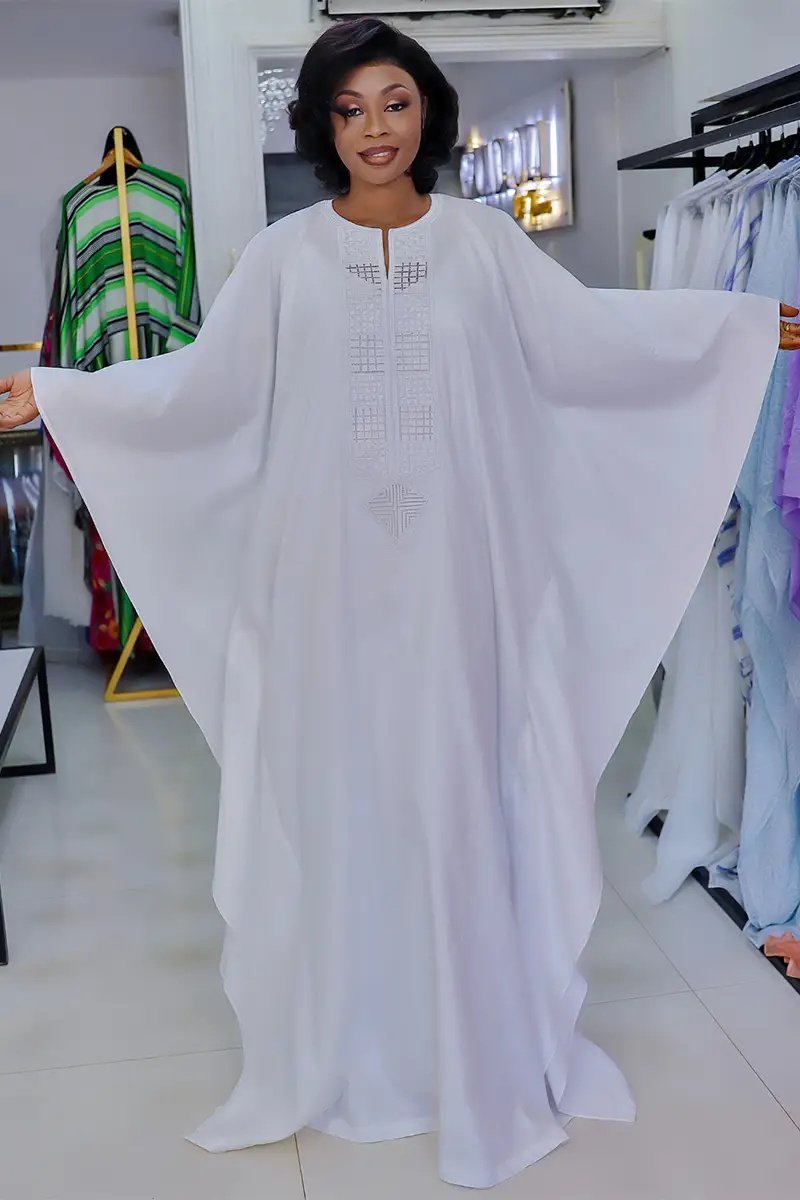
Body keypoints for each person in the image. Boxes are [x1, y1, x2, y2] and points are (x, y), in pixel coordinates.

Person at [2, 16, 799, 1190]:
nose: (373, 129)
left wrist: (730, 331)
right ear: (321, 126)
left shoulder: (482, 245)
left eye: (393, 102)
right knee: (336, 801)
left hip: (459, 592)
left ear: (427, 113)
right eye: (348, 109)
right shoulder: (281, 259)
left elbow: (588, 343)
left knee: (460, 798)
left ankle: (472, 1048)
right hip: (320, 592)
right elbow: (201, 388)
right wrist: (66, 394)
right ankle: (349, 1041)